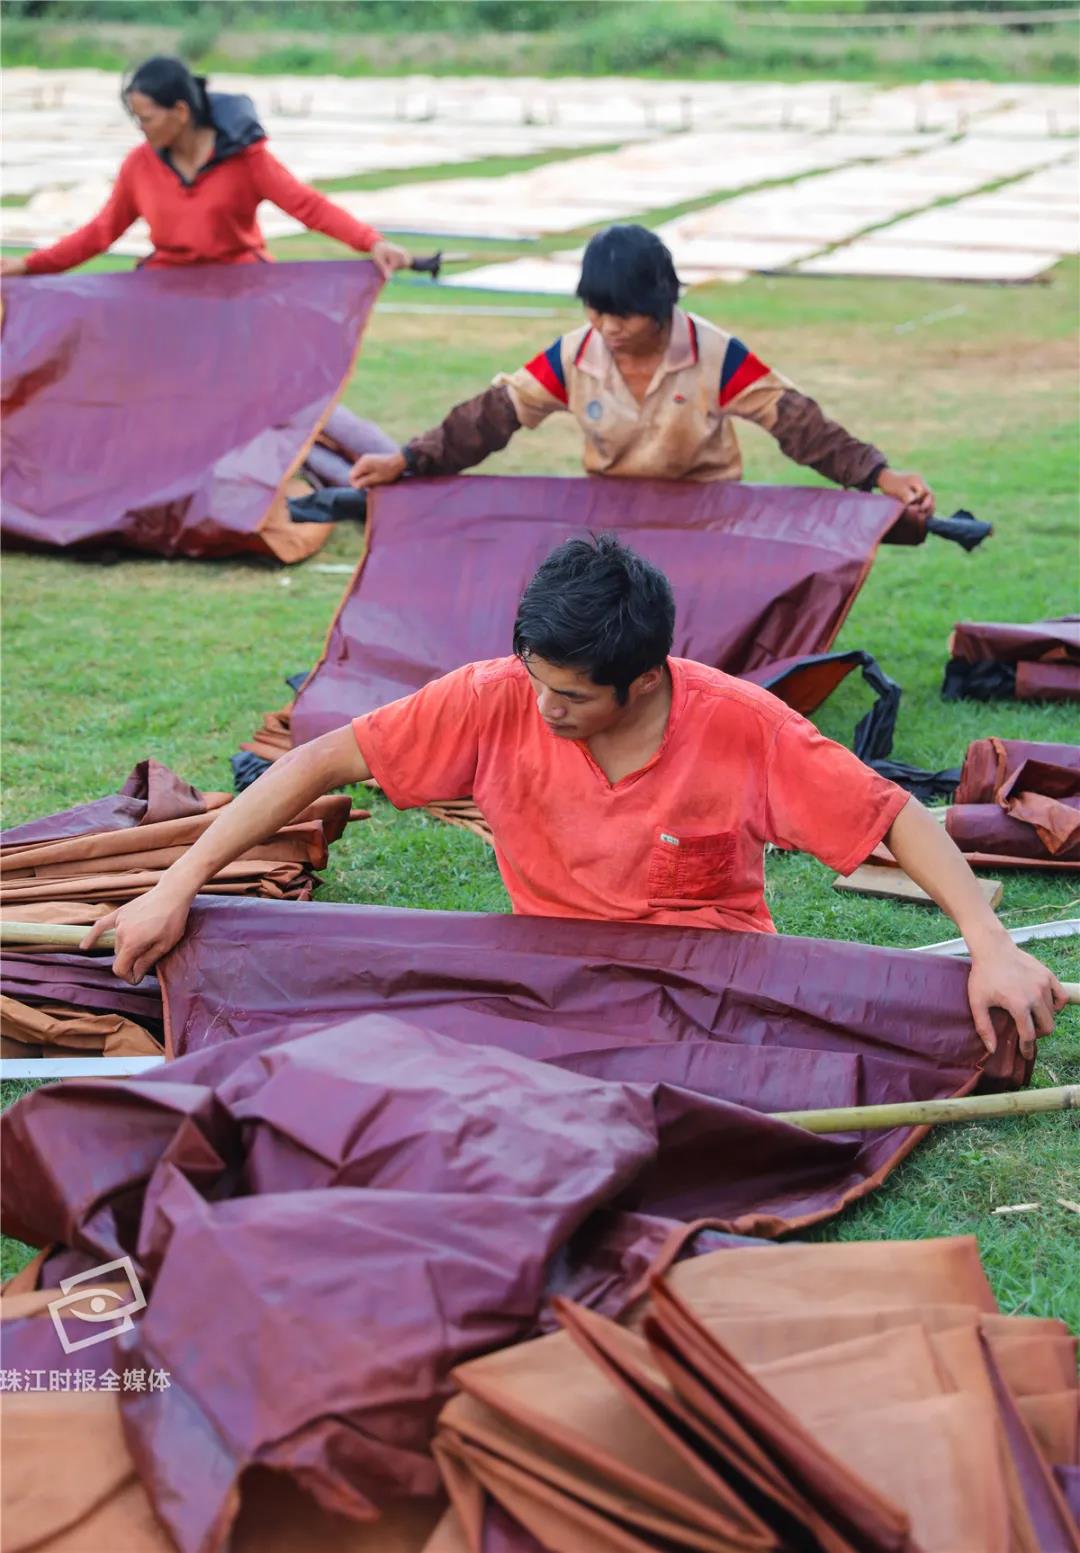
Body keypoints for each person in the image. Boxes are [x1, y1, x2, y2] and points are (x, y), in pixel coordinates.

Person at [87, 534, 1060, 1056]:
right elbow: (314, 764)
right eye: (537, 678)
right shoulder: (494, 696)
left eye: (573, 696)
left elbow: (892, 815)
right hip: (549, 971)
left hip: (712, 984)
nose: (545, 706)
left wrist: (989, 944)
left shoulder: (742, 727)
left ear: (645, 679)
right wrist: (176, 886)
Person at [348, 223, 933, 513]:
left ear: (661, 304)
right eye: (596, 311)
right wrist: (408, 460)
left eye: (623, 314)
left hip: (707, 513)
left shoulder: (716, 355)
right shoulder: (572, 356)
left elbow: (799, 425)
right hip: (612, 515)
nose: (607, 327)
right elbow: (489, 418)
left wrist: (878, 475)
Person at [0, 57, 409, 279]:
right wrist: (30, 265)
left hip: (240, 288)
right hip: (169, 291)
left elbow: (309, 206)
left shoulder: (248, 161)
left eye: (147, 118)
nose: (141, 128)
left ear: (180, 111)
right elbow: (100, 232)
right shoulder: (139, 166)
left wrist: (371, 242)